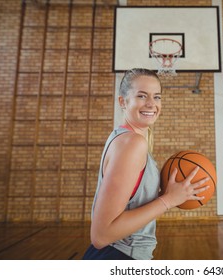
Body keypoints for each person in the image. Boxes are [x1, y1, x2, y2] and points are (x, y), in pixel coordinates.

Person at [82, 68, 209, 260]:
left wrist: (167, 194)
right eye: (142, 96)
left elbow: (130, 201)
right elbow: (101, 235)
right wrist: (168, 200)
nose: (151, 104)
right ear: (122, 102)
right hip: (117, 256)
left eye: (157, 97)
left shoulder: (125, 138)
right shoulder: (132, 143)